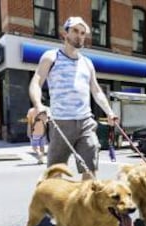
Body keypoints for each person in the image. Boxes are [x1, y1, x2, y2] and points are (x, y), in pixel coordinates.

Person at [29, 16, 118, 180]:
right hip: (61, 122)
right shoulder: (51, 57)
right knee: (55, 174)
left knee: (90, 171)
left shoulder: (87, 63)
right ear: (65, 33)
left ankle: (84, 205)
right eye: (75, 31)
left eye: (83, 33)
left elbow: (96, 90)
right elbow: (36, 81)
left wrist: (109, 112)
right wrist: (38, 105)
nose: (79, 35)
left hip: (85, 122)